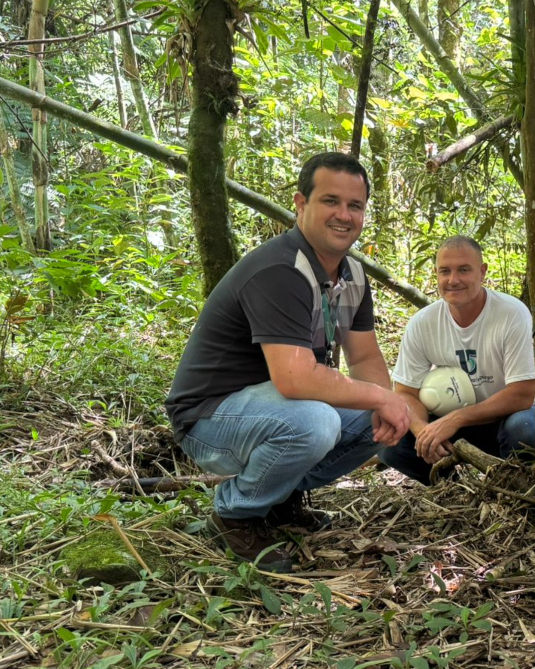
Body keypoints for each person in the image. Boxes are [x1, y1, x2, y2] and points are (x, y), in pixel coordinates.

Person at [165, 152, 411, 573]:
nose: (344, 215)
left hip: (270, 408)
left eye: (355, 206)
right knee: (317, 423)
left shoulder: (351, 273)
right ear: (300, 204)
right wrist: (377, 397)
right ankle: (235, 512)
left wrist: (384, 405)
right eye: (330, 201)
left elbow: (365, 355)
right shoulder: (280, 268)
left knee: (381, 419)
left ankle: (278, 499)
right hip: (209, 418)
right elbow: (295, 378)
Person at [380, 236, 535, 483]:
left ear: (482, 272)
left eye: (464, 270)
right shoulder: (423, 323)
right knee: (391, 437)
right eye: (445, 271)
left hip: (503, 420)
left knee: (526, 429)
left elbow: (523, 393)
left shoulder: (511, 314)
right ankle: (452, 489)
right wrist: (424, 432)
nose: (453, 280)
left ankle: (512, 489)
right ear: (436, 274)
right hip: (450, 424)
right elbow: (405, 392)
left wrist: (455, 419)